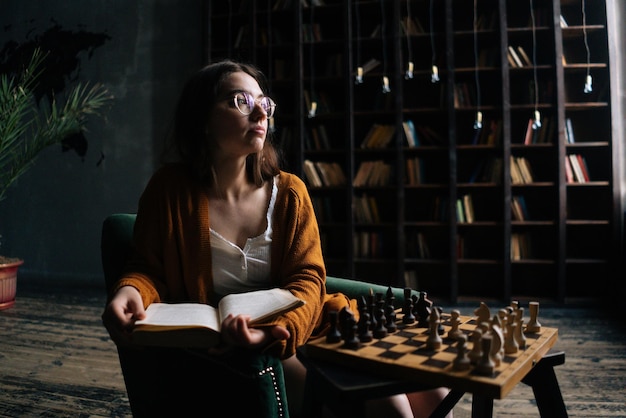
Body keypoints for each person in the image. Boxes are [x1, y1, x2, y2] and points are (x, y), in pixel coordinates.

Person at [101, 59, 451, 418]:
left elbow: (309, 279)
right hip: (252, 351)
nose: (259, 113)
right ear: (203, 117)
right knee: (389, 407)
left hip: (304, 327)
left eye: (264, 103)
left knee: (435, 390)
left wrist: (276, 328)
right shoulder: (169, 190)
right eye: (240, 101)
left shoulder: (289, 193)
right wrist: (130, 290)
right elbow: (147, 268)